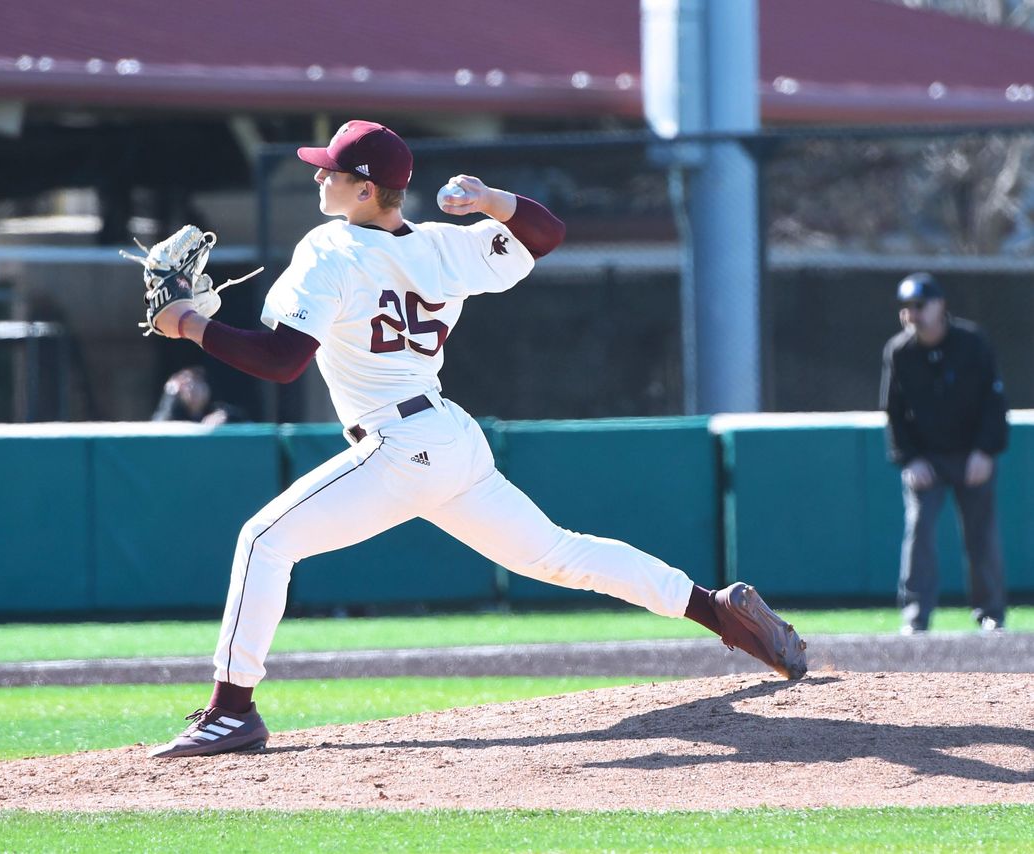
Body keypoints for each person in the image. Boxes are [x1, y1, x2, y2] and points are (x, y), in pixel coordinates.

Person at [139, 120, 808, 758]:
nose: (319, 181)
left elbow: (283, 361)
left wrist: (190, 325)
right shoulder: (442, 245)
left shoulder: (330, 248)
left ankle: (232, 709)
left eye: (330, 173)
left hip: (400, 446)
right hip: (447, 436)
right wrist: (494, 201)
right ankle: (715, 610)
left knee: (264, 539)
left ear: (365, 188)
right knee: (557, 553)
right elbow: (545, 234)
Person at [880, 272, 1008, 635]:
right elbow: (894, 413)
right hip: (927, 459)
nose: (912, 314)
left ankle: (991, 613)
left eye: (920, 306)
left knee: (981, 534)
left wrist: (985, 450)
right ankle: (915, 617)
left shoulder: (972, 341)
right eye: (906, 307)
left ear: (941, 306)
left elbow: (994, 401)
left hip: (972, 455)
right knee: (919, 530)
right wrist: (909, 459)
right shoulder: (899, 351)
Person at [152, 365, 247, 425]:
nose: (193, 389)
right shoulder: (173, 417)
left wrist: (225, 419)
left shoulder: (217, 411)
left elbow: (244, 422)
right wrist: (170, 395)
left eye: (198, 382)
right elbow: (158, 426)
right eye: (187, 385)